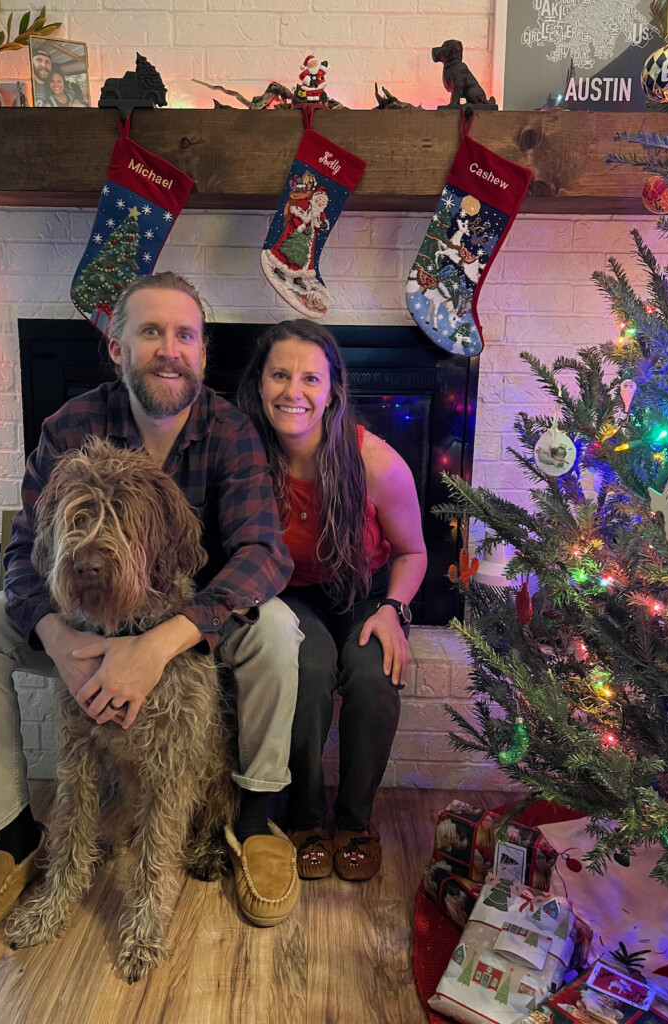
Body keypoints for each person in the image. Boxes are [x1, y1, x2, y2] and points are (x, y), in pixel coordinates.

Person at [0, 273, 303, 947]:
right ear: (116, 345)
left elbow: (264, 556)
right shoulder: (70, 427)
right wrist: (57, 642)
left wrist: (159, 644)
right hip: (77, 627)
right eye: (150, 332)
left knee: (278, 627)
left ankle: (252, 820)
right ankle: (13, 837)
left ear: (202, 351)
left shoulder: (230, 432)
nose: (169, 349)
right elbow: (24, 554)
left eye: (184, 335)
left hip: (188, 630)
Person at [237, 320, 427, 881]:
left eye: (309, 378)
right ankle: (305, 816)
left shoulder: (375, 462)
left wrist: (393, 610)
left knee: (372, 674)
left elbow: (412, 552)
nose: (293, 391)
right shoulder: (244, 457)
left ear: (332, 390)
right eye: (279, 374)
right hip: (286, 594)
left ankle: (355, 820)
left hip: (364, 591)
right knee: (307, 665)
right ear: (260, 383)